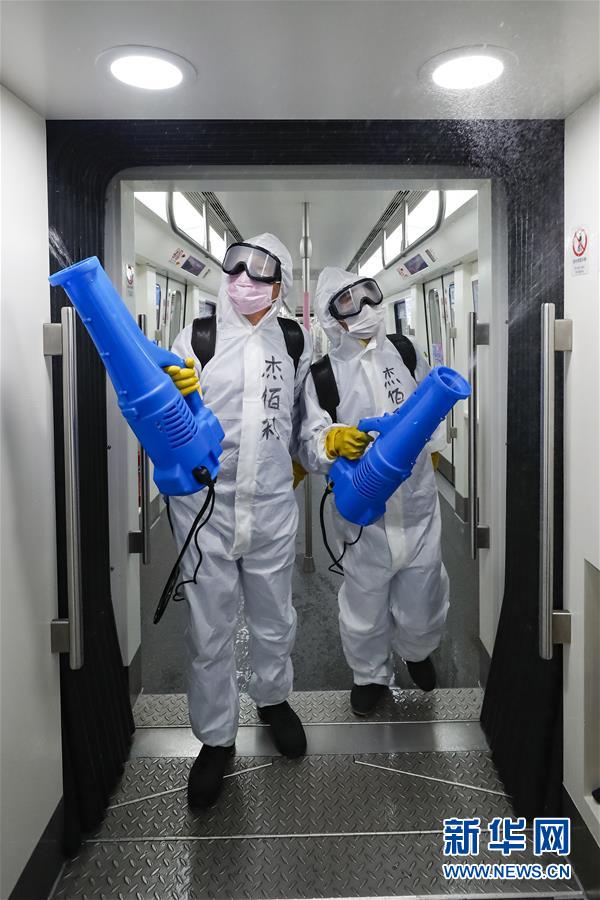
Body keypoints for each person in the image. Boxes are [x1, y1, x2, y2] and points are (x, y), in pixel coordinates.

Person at [166, 234, 312, 808]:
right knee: (210, 628)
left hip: (272, 504)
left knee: (274, 617)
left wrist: (324, 449)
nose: (243, 280)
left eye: (259, 272)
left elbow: (304, 424)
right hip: (207, 508)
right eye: (234, 267)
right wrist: (175, 396)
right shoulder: (197, 338)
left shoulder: (294, 341)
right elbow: (164, 419)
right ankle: (216, 738)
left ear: (281, 285)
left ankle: (273, 700)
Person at [299, 267, 449, 716]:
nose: (364, 308)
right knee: (364, 602)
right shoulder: (323, 376)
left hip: (418, 506)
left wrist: (432, 455)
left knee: (424, 591)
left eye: (368, 294)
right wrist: (332, 440)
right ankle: (369, 674)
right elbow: (309, 439)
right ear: (332, 318)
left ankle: (417, 651)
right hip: (363, 516)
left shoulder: (404, 351)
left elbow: (430, 406)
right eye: (347, 302)